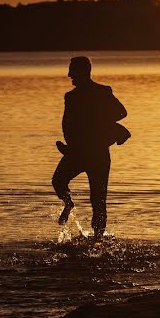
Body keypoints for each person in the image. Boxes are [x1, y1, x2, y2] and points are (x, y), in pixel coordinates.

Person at [52, 56, 129, 239]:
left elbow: (122, 112)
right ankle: (68, 204)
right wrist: (69, 147)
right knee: (58, 181)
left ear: (83, 71)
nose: (69, 75)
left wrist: (99, 124)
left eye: (73, 70)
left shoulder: (103, 92)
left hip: (98, 153)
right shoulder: (70, 97)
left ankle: (98, 239)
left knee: (98, 200)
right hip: (76, 152)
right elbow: (67, 124)